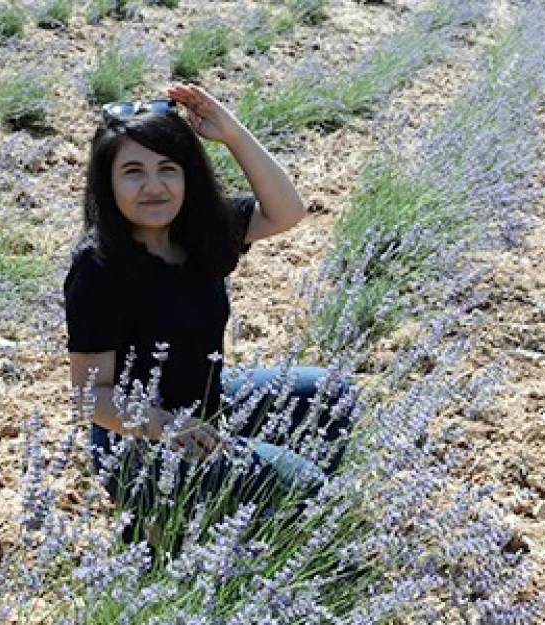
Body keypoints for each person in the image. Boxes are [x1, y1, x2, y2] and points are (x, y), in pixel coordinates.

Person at [63, 84, 354, 552]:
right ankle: (172, 524)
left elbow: (287, 211)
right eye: (133, 172)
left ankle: (254, 515)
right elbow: (87, 397)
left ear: (188, 176)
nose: (154, 186)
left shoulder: (200, 233)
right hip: (139, 443)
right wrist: (166, 426)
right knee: (310, 492)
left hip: (207, 402)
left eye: (168, 169)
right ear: (108, 183)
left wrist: (233, 134)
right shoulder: (99, 267)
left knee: (331, 393)